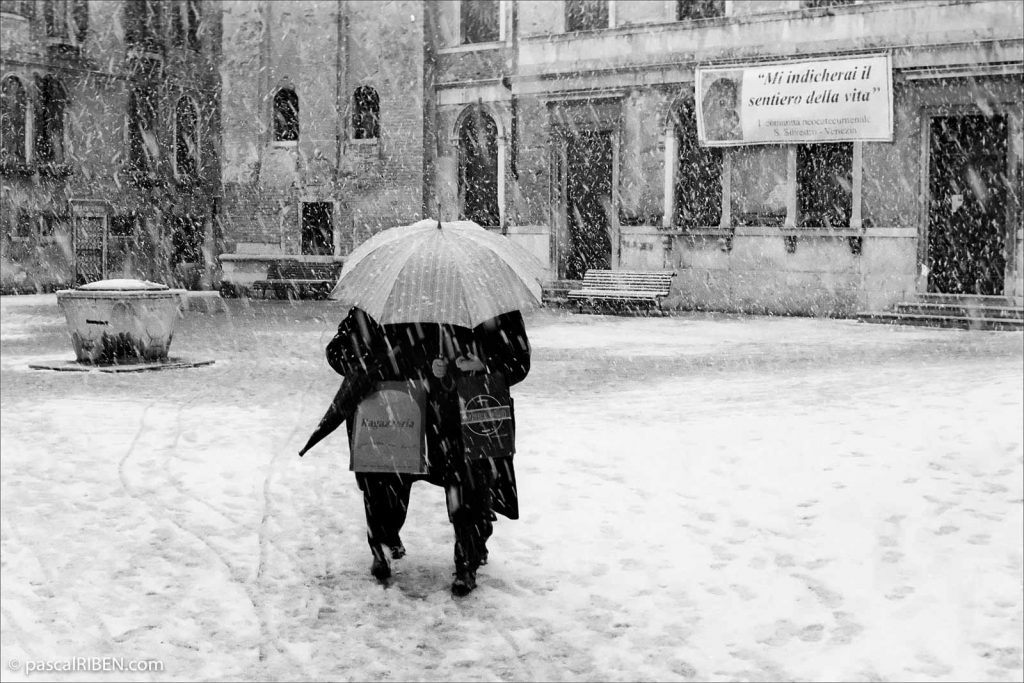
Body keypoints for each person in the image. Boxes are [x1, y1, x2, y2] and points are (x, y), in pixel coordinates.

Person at [322, 307, 531, 596]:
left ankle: (468, 559)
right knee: (384, 476)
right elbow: (338, 351)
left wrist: (480, 364)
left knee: (471, 482)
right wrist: (385, 366)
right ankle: (383, 542)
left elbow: (518, 361)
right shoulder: (387, 301)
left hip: (463, 413)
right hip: (399, 406)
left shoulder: (488, 305)